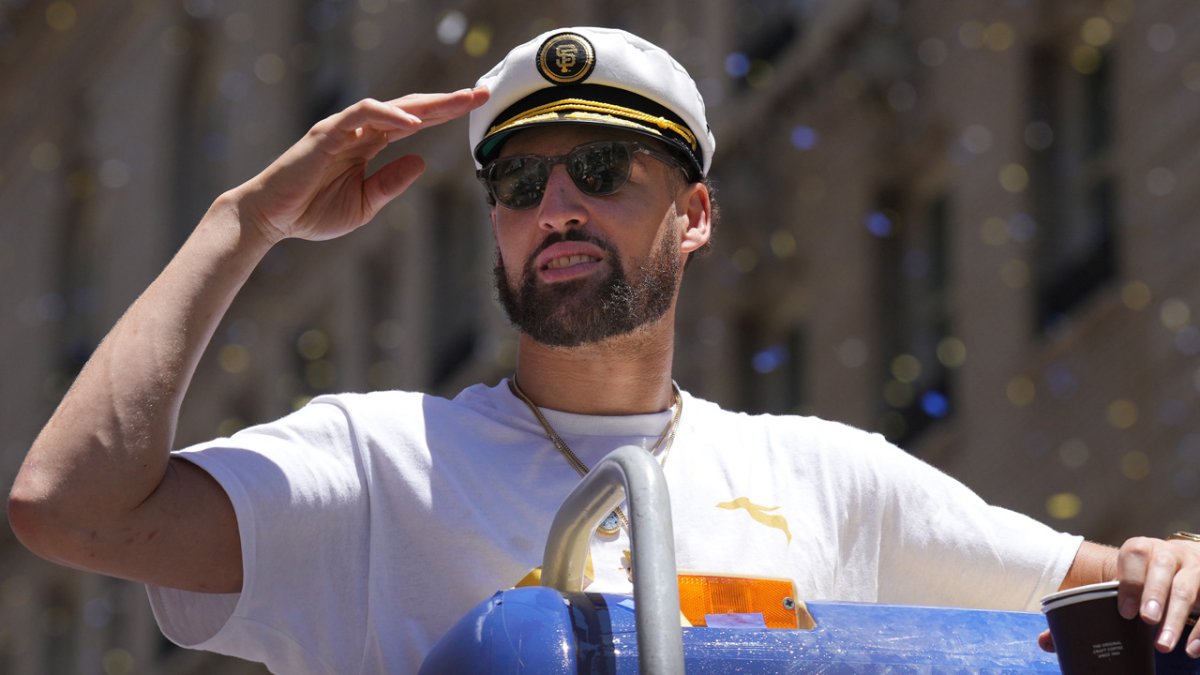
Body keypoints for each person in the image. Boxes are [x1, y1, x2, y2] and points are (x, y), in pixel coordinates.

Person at [7, 25, 1199, 674]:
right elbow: (70, 509)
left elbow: (1120, 596)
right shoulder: (374, 464)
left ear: (693, 214)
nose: (556, 206)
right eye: (521, 181)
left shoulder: (829, 478)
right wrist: (241, 224)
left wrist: (1177, 561)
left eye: (603, 172)